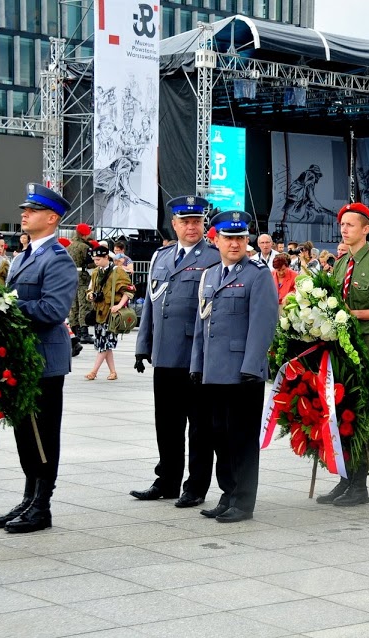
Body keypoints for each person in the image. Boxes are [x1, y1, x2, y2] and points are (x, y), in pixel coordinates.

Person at [0, 183, 78, 534]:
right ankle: (29, 497)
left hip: (44, 360)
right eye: (24, 210)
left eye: (32, 210)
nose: (24, 215)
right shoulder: (25, 256)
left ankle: (42, 506)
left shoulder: (57, 259)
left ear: (52, 218)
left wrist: (5, 306)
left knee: (42, 435)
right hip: (22, 358)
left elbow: (52, 309)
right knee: (26, 435)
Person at [131, 195, 220, 507]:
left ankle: (196, 485)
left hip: (196, 357)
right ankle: (167, 479)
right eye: (185, 221)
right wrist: (143, 347)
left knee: (199, 427)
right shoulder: (161, 257)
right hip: (165, 355)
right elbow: (152, 308)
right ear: (174, 224)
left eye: (196, 221)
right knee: (166, 423)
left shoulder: (214, 257)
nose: (191, 226)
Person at [191, 210, 279, 522]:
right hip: (214, 371)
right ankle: (227, 493)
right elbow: (203, 324)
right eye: (228, 238)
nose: (235, 243)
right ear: (215, 240)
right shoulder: (211, 275)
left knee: (241, 439)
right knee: (219, 435)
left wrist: (252, 368)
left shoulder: (257, 274)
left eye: (240, 238)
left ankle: (243, 501)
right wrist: (196, 364)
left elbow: (263, 325)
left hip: (243, 373)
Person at [317, 203, 369, 506]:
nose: (345, 229)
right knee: (340, 413)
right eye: (343, 224)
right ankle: (344, 478)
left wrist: (355, 314)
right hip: (340, 348)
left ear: (366, 229)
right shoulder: (339, 264)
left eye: (351, 224)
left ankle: (360, 482)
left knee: (364, 414)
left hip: (367, 346)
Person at [84, 245, 134, 381]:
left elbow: (129, 291)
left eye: (98, 259)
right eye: (94, 259)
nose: (96, 262)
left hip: (112, 314)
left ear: (107, 257)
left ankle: (94, 371)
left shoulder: (118, 272)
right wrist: (90, 296)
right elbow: (89, 289)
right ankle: (113, 372)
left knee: (105, 344)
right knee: (105, 344)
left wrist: (118, 305)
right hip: (99, 312)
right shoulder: (95, 272)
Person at [66, 223, 95, 345]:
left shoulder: (69, 246)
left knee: (74, 306)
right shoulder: (84, 247)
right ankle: (84, 332)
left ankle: (74, 331)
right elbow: (90, 263)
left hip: (71, 277)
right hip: (82, 278)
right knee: (84, 304)